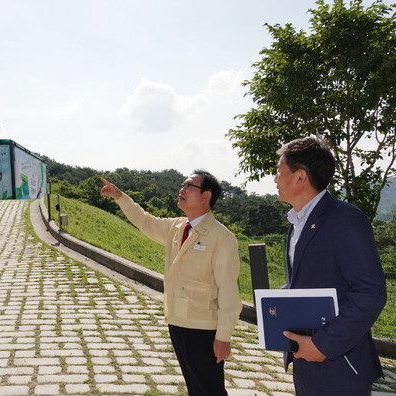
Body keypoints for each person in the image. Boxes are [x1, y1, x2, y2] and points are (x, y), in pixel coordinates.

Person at [100, 171, 241, 396]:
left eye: (189, 186)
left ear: (206, 196)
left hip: (203, 327)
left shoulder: (221, 237)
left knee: (209, 389)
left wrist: (224, 335)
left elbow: (228, 290)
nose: (181, 189)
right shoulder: (177, 227)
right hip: (177, 320)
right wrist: (120, 197)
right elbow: (144, 220)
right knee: (196, 387)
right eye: (182, 185)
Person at [275, 136, 387, 395]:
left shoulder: (345, 219)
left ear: (300, 177)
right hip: (305, 358)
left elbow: (371, 293)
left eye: (279, 172)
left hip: (339, 364)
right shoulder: (298, 222)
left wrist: (324, 345)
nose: (275, 179)